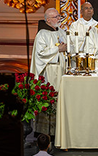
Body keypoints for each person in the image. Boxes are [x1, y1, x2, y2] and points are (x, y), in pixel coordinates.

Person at [30, 8, 69, 136]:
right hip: (49, 72)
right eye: (56, 17)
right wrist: (58, 49)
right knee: (51, 101)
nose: (59, 19)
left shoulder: (62, 32)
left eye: (59, 16)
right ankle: (46, 133)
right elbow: (40, 54)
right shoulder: (42, 34)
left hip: (62, 71)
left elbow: (67, 48)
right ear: (48, 20)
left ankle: (60, 131)